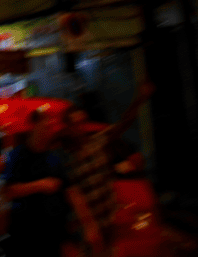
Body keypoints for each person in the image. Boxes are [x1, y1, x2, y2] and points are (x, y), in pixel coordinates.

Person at [59, 81, 155, 257]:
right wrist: (87, 225)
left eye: (82, 122)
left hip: (108, 219)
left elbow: (123, 124)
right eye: (75, 124)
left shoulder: (97, 142)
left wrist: (140, 99)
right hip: (86, 227)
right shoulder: (65, 158)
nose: (80, 128)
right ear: (68, 128)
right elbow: (71, 194)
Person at [2, 108, 69, 257]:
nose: (50, 132)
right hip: (25, 233)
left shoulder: (54, 157)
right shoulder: (17, 155)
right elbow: (9, 191)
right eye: (46, 127)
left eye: (51, 128)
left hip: (52, 233)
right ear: (34, 126)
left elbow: (68, 189)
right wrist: (40, 185)